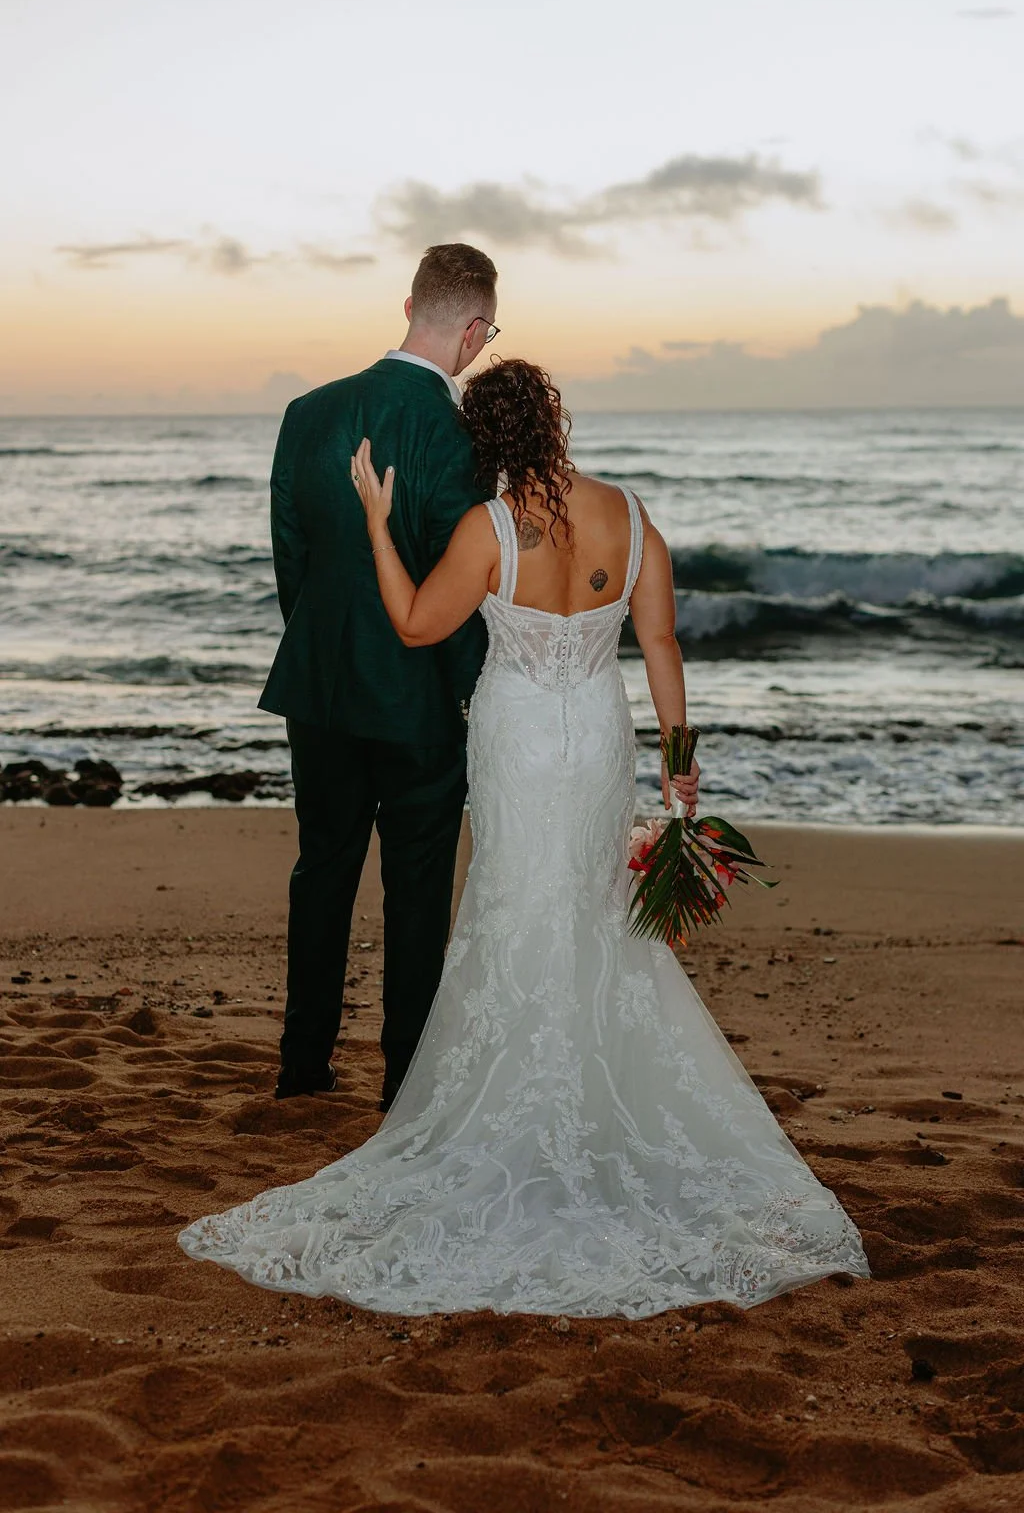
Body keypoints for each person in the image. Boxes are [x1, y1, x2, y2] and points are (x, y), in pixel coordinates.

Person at [180, 360, 869, 1316]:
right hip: (595, 736)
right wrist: (681, 760)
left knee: (514, 898)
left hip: (516, 741)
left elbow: (419, 626)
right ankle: (596, 1106)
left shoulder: (487, 528)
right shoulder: (630, 518)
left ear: (487, 445)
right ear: (555, 423)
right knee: (592, 907)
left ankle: (516, 1107)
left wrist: (379, 525)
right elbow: (661, 644)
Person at [258, 243, 499, 1109]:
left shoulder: (308, 412)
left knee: (321, 868)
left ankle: (302, 1065)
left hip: (319, 686)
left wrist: (326, 646)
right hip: (420, 696)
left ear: (409, 305)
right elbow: (463, 578)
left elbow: (294, 557)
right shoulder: (459, 431)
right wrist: (475, 690)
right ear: (473, 329)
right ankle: (405, 1081)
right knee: (417, 885)